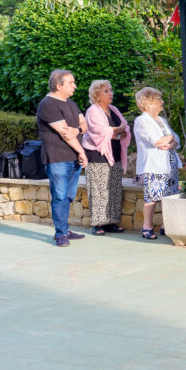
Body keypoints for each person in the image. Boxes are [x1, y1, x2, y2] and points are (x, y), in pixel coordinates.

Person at [37, 70, 89, 247]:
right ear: (59, 86)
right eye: (71, 82)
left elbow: (84, 124)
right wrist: (82, 152)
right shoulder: (48, 105)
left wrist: (78, 130)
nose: (75, 85)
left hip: (73, 158)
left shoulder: (71, 103)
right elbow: (65, 133)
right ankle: (61, 234)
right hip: (58, 158)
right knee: (59, 196)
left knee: (68, 196)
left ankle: (65, 230)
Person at [81, 80, 131, 237]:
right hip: (97, 155)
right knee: (99, 189)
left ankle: (110, 222)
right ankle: (97, 224)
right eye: (106, 91)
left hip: (114, 153)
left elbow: (125, 127)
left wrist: (117, 131)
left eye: (111, 90)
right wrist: (116, 131)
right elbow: (99, 131)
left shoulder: (114, 110)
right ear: (96, 95)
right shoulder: (92, 111)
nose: (110, 93)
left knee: (114, 188)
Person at [133, 87, 181, 240]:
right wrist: (168, 139)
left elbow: (176, 138)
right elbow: (155, 140)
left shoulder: (162, 120)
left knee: (169, 197)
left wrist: (170, 141)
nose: (162, 102)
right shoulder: (141, 121)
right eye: (158, 99)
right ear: (148, 103)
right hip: (153, 165)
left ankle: (165, 225)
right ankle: (147, 226)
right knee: (152, 198)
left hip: (170, 164)